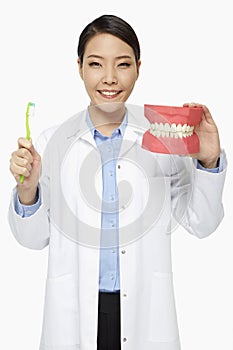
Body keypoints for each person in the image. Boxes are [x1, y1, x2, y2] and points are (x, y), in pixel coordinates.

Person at [8, 14, 227, 350]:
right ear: (79, 67)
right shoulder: (54, 141)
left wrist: (208, 160)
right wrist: (27, 189)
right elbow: (33, 239)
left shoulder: (164, 138)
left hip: (144, 310)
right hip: (75, 310)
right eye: (96, 64)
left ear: (138, 67)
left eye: (122, 64)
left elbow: (202, 223)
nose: (109, 78)